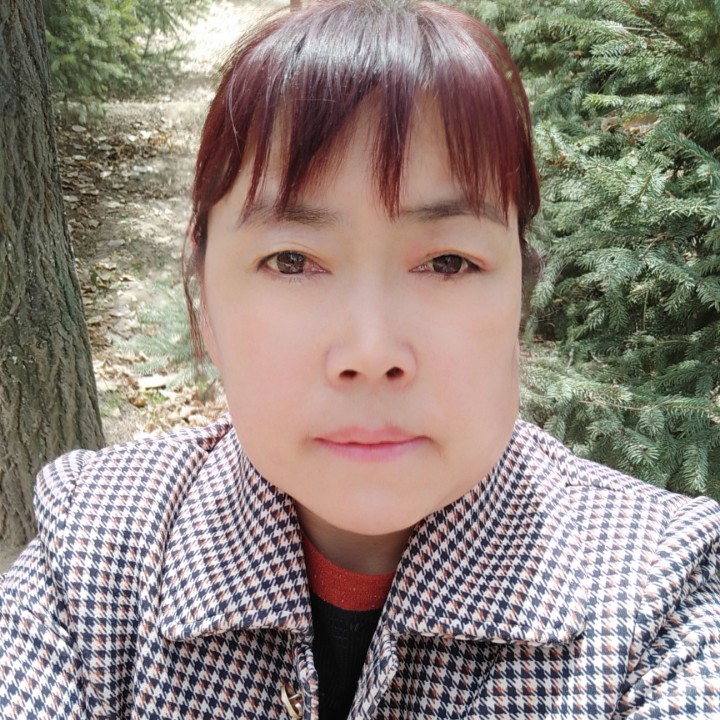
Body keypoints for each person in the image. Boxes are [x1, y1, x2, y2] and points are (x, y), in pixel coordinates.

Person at [2, 1, 720, 718]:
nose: (372, 354)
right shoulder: (96, 554)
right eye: (291, 260)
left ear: (520, 303)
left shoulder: (658, 600)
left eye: (447, 261)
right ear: (204, 304)